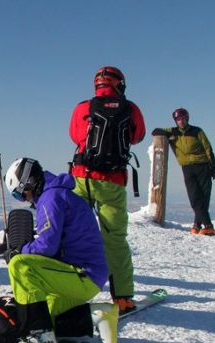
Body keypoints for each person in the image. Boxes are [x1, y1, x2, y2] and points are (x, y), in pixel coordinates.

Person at [4, 158, 109, 343]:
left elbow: (47, 246)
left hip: (82, 275)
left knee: (20, 265)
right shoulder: (58, 194)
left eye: (19, 193)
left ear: (29, 183)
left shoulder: (50, 198)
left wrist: (20, 251)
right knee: (42, 313)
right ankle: (97, 314)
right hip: (84, 275)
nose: (23, 199)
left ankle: (42, 340)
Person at [69, 66, 145, 314]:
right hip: (112, 181)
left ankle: (69, 292)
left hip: (82, 179)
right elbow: (138, 137)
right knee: (115, 240)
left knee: (74, 235)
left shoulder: (83, 107)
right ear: (120, 84)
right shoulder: (130, 108)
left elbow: (74, 136)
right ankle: (122, 297)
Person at [152, 108, 215, 235]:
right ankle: (207, 226)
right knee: (194, 198)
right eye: (178, 119)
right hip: (187, 168)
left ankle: (198, 226)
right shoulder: (173, 132)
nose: (181, 121)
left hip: (203, 166)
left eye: (183, 118)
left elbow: (208, 148)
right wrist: (168, 135)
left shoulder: (197, 131)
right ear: (175, 121)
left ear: (187, 118)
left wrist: (213, 165)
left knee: (203, 198)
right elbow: (155, 131)